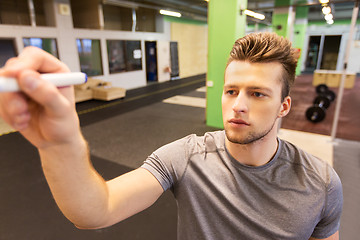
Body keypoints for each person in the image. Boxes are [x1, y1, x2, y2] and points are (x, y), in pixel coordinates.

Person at [0, 32, 342, 240]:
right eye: (231, 90)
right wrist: (59, 143)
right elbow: (96, 210)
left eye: (257, 94)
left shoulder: (321, 182)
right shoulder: (186, 157)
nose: (237, 106)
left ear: (283, 106)